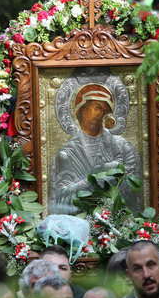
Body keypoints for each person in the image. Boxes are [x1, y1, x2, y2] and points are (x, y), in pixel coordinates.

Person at [48, 83, 141, 215]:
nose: (101, 114)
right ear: (81, 109)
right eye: (97, 107)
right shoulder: (67, 153)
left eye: (105, 110)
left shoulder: (121, 146)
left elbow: (134, 190)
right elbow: (60, 198)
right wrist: (89, 182)